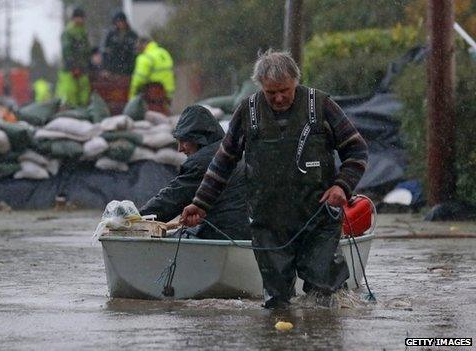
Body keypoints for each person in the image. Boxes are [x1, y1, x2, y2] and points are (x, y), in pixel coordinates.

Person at [181, 50, 368, 308]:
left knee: (325, 297)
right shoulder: (247, 112)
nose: (279, 98)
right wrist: (200, 203)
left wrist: (342, 186)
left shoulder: (321, 105)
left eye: (285, 90)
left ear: (296, 82)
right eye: (271, 93)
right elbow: (222, 162)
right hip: (267, 223)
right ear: (261, 87)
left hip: (318, 219)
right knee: (277, 302)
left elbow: (357, 150)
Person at [140, 105, 250, 240]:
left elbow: (170, 201)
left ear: (198, 138)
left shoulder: (202, 161)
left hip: (221, 234)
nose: (180, 149)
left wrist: (134, 220)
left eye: (183, 141)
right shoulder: (232, 153)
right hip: (246, 234)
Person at [129, 37, 175, 114]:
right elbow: (170, 75)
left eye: (138, 47)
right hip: (165, 96)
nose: (138, 50)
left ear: (143, 45)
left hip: (151, 96)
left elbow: (139, 80)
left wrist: (132, 97)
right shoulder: (164, 53)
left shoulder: (145, 57)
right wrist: (169, 96)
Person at [56, 8, 91, 108]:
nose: (80, 20)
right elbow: (67, 51)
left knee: (83, 95)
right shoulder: (69, 32)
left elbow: (86, 51)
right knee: (71, 95)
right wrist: (73, 67)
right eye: (78, 18)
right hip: (71, 71)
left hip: (83, 69)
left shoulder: (83, 32)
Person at [102, 11, 138, 76]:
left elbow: (135, 53)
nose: (120, 24)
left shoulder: (132, 35)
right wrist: (106, 68)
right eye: (118, 22)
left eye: (121, 21)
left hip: (129, 68)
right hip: (114, 68)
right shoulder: (111, 35)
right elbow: (106, 53)